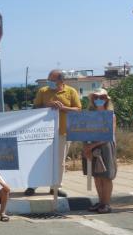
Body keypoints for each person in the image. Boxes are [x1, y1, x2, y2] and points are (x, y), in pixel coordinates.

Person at [25, 69, 81, 197]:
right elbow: (35, 108)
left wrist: (63, 108)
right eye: (48, 79)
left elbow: (78, 110)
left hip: (63, 132)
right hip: (43, 133)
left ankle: (55, 187)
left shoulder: (71, 91)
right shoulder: (43, 91)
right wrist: (48, 106)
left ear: (61, 81)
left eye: (52, 80)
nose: (49, 82)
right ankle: (33, 185)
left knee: (59, 162)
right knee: (38, 160)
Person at [83, 88, 117, 214]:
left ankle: (106, 204)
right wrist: (86, 146)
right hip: (91, 146)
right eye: (96, 97)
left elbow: (108, 135)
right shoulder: (88, 114)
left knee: (106, 177)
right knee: (97, 177)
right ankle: (101, 202)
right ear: (92, 99)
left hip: (106, 147)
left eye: (101, 97)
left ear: (106, 100)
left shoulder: (111, 115)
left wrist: (91, 147)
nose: (98, 100)